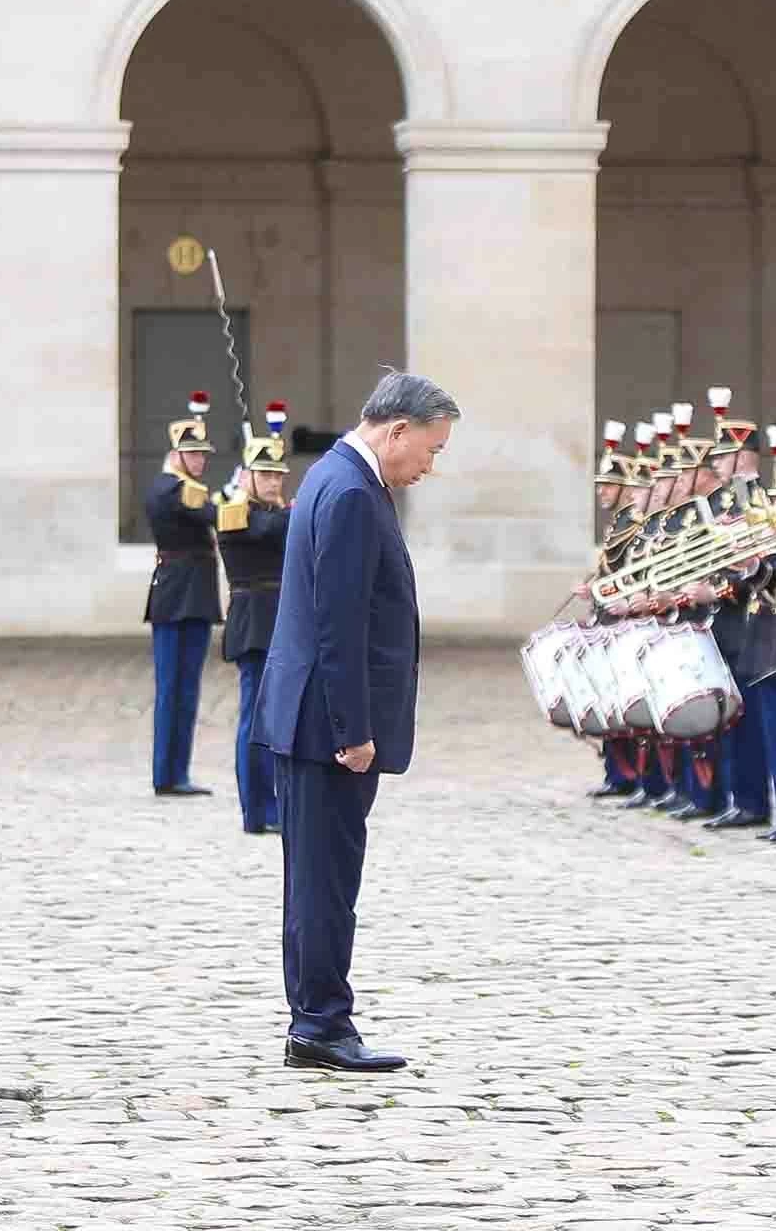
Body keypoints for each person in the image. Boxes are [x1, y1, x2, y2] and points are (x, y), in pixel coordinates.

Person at [256, 368, 449, 1072]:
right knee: (324, 880)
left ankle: (317, 1017)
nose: (430, 466)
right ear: (397, 430)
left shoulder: (342, 480)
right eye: (430, 449)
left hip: (313, 719)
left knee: (320, 877)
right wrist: (353, 730)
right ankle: (320, 1024)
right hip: (325, 728)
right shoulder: (348, 492)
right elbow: (338, 625)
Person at [217, 406, 296, 836]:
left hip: (278, 623)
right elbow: (270, 530)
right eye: (264, 475)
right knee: (254, 720)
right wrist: (290, 510)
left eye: (278, 476)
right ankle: (256, 809)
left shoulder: (272, 512)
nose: (273, 482)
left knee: (276, 719)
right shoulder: (236, 512)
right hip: (253, 623)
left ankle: (273, 805)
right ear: (246, 476)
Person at [143, 391, 224, 801]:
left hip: (193, 596)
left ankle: (177, 770)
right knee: (174, 687)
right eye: (194, 454)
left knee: (187, 688)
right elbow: (212, 515)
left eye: (203, 454)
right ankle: (167, 774)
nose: (201, 460)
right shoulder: (170, 489)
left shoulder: (185, 487)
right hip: (177, 597)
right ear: (177, 454)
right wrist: (237, 495)